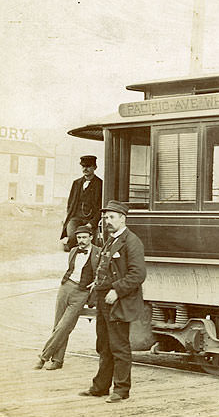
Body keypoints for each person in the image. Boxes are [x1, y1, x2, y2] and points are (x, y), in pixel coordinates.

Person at [79, 200, 146, 403]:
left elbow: (138, 274)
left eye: (111, 217)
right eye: (106, 217)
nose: (107, 221)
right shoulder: (111, 239)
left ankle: (121, 389)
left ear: (122, 218)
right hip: (103, 298)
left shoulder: (131, 241)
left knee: (119, 345)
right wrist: (97, 284)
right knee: (104, 344)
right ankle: (100, 387)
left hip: (117, 300)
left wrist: (117, 290)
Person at [34, 225, 100, 370]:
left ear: (91, 237)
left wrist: (96, 282)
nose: (81, 241)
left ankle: (44, 357)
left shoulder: (98, 253)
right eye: (79, 238)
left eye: (84, 237)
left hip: (82, 292)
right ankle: (58, 361)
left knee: (65, 326)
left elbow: (102, 272)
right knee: (58, 325)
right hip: (65, 287)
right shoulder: (73, 251)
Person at [61, 155, 103, 252]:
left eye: (88, 166)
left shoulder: (100, 184)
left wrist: (92, 223)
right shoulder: (76, 183)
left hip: (91, 220)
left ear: (95, 167)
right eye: (83, 166)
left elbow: (101, 208)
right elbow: (70, 203)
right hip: (76, 218)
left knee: (90, 243)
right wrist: (69, 217)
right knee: (72, 237)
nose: (85, 169)